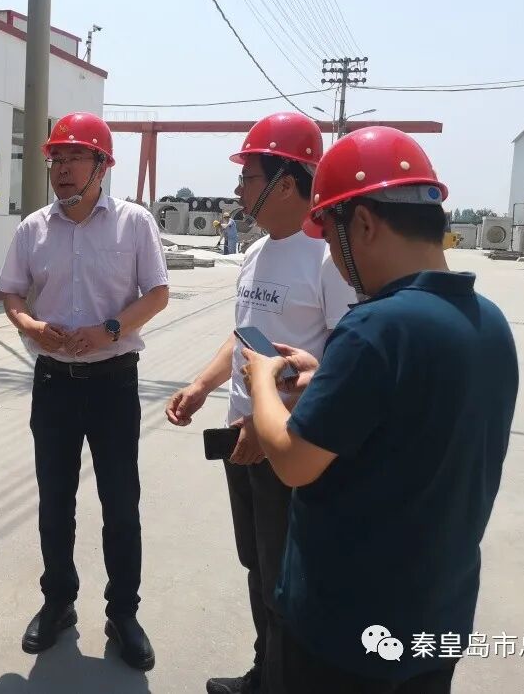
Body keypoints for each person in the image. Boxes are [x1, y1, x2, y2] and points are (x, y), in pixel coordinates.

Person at [240, 127, 519, 693]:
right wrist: (328, 381)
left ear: (363, 224)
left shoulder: (375, 327)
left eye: (331, 234)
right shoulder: (489, 322)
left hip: (345, 627)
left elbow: (292, 461)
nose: (336, 261)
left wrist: (262, 381)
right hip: (435, 615)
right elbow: (406, 421)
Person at [165, 113, 356, 694]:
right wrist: (203, 385)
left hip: (288, 445)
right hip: (243, 437)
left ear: (288, 182)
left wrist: (271, 417)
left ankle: (285, 681)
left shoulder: (328, 261)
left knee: (286, 576)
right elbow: (244, 333)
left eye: (249, 176)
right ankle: (265, 672)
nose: (239, 188)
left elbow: (342, 363)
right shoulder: (256, 253)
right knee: (257, 564)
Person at [0, 112, 170, 671]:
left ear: (102, 166)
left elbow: (158, 292)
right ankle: (58, 602)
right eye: (56, 158)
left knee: (121, 503)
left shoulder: (133, 223)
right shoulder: (33, 229)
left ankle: (123, 614)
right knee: (55, 501)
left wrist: (110, 329)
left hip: (113, 381)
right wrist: (31, 325)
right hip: (54, 384)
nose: (62, 168)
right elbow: (12, 294)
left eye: (75, 157)